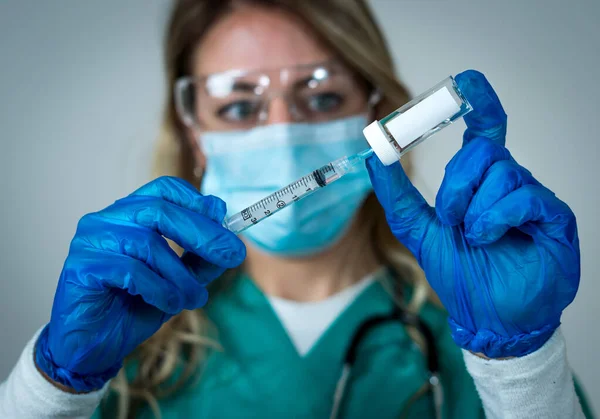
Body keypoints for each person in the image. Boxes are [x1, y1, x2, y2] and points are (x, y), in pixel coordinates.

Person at [0, 0, 595, 418]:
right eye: (238, 107)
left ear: (376, 113)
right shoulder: (127, 332)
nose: (283, 133)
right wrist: (52, 387)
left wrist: (523, 370)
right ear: (193, 134)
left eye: (322, 96)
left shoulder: (480, 323)